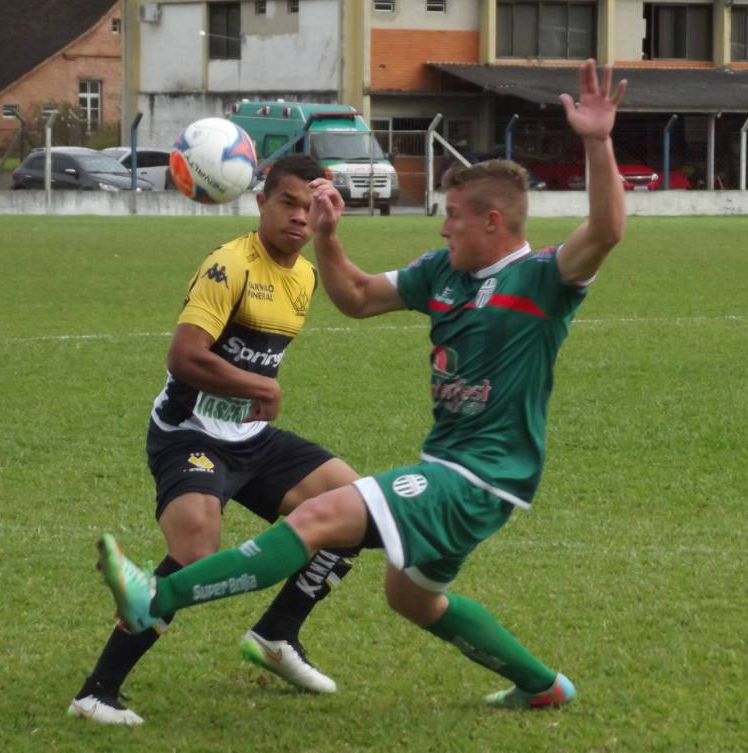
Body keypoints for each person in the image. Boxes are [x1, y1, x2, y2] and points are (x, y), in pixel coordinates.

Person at [95, 59, 627, 709]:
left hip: (480, 476)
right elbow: (355, 295)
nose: (441, 225)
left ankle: (157, 593)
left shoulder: (543, 280)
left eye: (453, 214)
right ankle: (543, 685)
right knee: (413, 598)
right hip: (449, 464)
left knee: (323, 514)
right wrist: (327, 235)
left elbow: (604, 231)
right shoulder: (445, 272)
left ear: (493, 223)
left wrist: (597, 142)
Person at [69, 155, 362, 726]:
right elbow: (183, 356)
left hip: (250, 436)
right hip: (189, 434)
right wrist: (257, 384)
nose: (299, 217)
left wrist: (253, 395)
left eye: (310, 207)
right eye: (288, 203)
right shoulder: (231, 266)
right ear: (261, 203)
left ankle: (277, 636)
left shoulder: (304, 274)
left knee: (356, 509)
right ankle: (96, 693)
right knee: (196, 551)